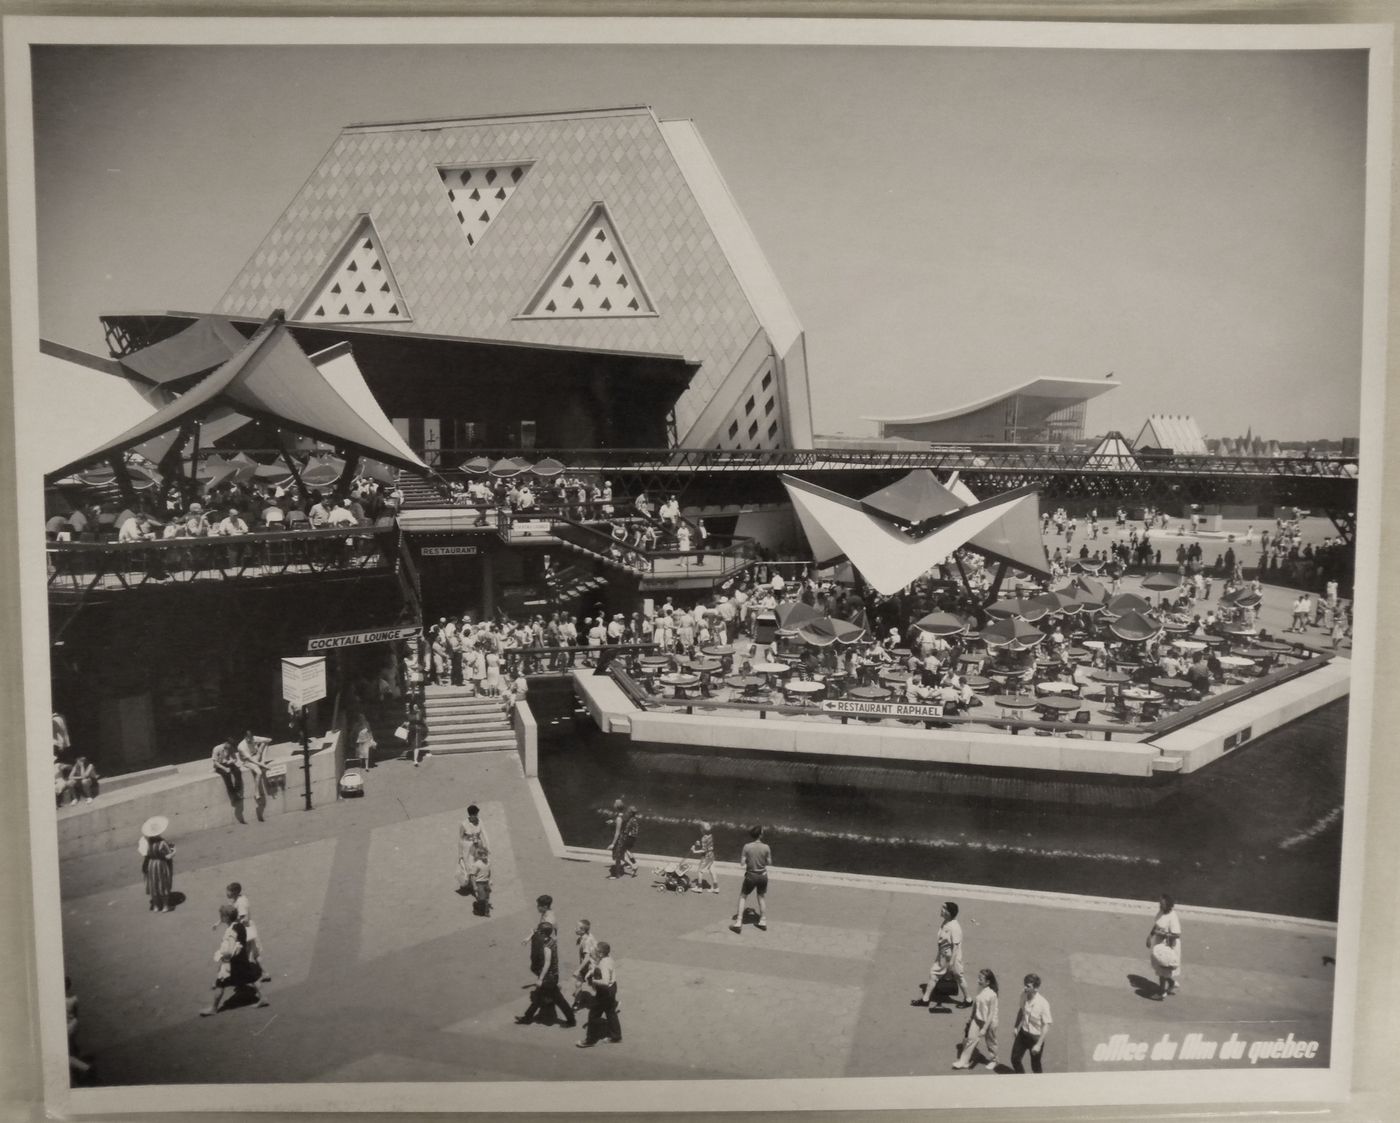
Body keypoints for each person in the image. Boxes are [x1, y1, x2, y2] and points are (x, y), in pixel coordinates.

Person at [200, 903, 267, 1016]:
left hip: (231, 963)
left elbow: (229, 950)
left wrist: (221, 955)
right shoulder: (240, 926)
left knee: (220, 983)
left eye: (221, 916)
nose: (220, 918)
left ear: (226, 917)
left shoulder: (231, 931)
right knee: (252, 978)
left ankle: (213, 1008)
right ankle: (263, 998)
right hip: (242, 959)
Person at [515, 921, 576, 1027]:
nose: (537, 931)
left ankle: (571, 1020)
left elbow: (547, 964)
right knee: (543, 997)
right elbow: (534, 932)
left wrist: (540, 979)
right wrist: (527, 938)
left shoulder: (547, 946)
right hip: (551, 976)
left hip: (549, 977)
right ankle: (527, 1017)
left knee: (556, 999)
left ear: (543, 933)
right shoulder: (547, 939)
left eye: (539, 931)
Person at [913, 901, 970, 1007]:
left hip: (952, 958)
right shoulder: (946, 922)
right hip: (943, 956)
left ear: (949, 912)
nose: (941, 909)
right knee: (934, 975)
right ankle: (925, 999)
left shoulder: (954, 927)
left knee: (958, 977)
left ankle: (968, 1000)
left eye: (944, 908)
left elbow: (956, 947)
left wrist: (951, 963)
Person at [952, 968, 1000, 1070]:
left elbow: (991, 1013)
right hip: (977, 1019)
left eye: (981, 979)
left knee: (991, 1042)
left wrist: (984, 1028)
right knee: (970, 1039)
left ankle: (994, 1060)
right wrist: (971, 1017)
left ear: (988, 982)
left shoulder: (992, 995)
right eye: (978, 977)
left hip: (989, 1022)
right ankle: (963, 1061)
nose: (978, 980)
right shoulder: (980, 988)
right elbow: (976, 1003)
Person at [576, 941, 621, 1047]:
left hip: (604, 992)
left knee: (593, 1014)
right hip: (612, 988)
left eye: (596, 951)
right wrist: (591, 971)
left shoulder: (603, 964)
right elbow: (599, 966)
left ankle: (590, 1040)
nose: (593, 952)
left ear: (600, 953)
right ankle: (616, 1036)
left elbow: (605, 982)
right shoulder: (608, 958)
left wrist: (593, 981)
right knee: (610, 1012)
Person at [730, 824, 772, 933]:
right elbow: (769, 862)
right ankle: (763, 920)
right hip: (763, 875)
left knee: (743, 896)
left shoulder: (747, 847)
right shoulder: (766, 847)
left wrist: (750, 859)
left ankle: (739, 922)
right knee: (761, 897)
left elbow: (742, 863)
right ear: (761, 835)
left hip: (751, 876)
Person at [223, 882, 269, 980]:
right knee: (254, 954)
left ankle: (250, 978)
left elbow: (245, 919)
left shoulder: (241, 903)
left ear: (235, 892)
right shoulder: (238, 900)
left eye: (229, 891)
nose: (227, 893)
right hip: (246, 931)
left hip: (245, 932)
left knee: (246, 955)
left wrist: (234, 923)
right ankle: (265, 973)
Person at [1010, 973, 1053, 1073]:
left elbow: (1047, 1024)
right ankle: (1022, 1079)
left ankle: (1038, 1085)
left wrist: (1038, 1044)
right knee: (1015, 1059)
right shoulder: (1023, 994)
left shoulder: (1043, 1003)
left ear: (1036, 988)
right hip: (1023, 1034)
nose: (1025, 987)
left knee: (1035, 1065)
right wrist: (1016, 1026)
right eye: (1025, 984)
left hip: (1035, 1038)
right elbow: (1021, 1010)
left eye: (1028, 986)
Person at [1147, 893, 1182, 998]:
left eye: (1162, 904)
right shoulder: (1161, 912)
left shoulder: (1172, 916)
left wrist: (1163, 934)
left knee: (1162, 969)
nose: (1160, 905)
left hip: (1169, 945)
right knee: (1162, 968)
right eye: (1160, 903)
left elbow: (1177, 934)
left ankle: (1161, 992)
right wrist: (1150, 935)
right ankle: (1171, 983)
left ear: (1168, 904)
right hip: (1159, 944)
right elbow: (1157, 924)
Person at [139, 816, 176, 912]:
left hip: (151, 864)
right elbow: (168, 856)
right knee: (163, 884)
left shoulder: (148, 842)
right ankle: (165, 906)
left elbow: (145, 853)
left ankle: (156, 906)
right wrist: (174, 851)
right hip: (160, 865)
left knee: (154, 885)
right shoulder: (162, 842)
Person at [237, 730, 273, 821]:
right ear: (245, 738)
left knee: (265, 743)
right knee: (259, 772)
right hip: (248, 761)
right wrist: (263, 766)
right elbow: (251, 760)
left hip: (257, 756)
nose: (251, 740)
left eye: (252, 738)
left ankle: (263, 760)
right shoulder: (241, 746)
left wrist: (260, 741)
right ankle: (256, 792)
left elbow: (269, 740)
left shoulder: (254, 738)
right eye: (249, 739)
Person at [211, 737, 246, 822]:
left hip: (227, 764)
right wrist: (225, 768)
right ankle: (234, 795)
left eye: (231, 747)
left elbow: (235, 758)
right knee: (227, 776)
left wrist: (232, 761)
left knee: (238, 772)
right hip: (219, 766)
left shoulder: (230, 748)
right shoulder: (217, 748)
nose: (230, 748)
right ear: (226, 743)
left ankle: (237, 791)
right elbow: (215, 762)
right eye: (229, 745)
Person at [458, 804, 490, 889]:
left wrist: (487, 845)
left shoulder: (480, 821)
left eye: (476, 815)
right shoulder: (464, 824)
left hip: (478, 845)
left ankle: (483, 880)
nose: (476, 816)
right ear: (470, 815)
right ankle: (473, 885)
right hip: (467, 847)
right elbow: (461, 839)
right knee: (469, 865)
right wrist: (460, 853)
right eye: (475, 815)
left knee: (482, 861)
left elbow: (484, 834)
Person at [689, 821, 720, 893]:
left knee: (700, 871)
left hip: (706, 857)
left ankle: (699, 887)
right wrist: (699, 843)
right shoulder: (711, 836)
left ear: (701, 830)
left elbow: (703, 850)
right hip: (711, 855)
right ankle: (716, 888)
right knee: (712, 870)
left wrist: (694, 851)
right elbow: (707, 846)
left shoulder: (703, 838)